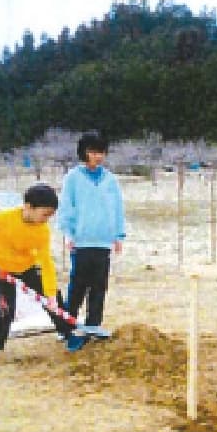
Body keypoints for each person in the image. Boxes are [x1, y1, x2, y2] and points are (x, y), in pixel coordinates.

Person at [0, 184, 88, 364]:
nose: (47, 219)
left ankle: (68, 334)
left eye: (50, 215)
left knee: (53, 298)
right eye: (45, 214)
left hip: (28, 268)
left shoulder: (42, 231)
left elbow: (46, 262)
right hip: (3, 271)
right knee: (5, 310)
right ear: (28, 207)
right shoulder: (4, 218)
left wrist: (49, 293)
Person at [58, 132, 125, 338]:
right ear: (85, 152)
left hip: (103, 241)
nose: (98, 156)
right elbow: (66, 207)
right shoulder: (73, 178)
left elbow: (117, 208)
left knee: (99, 285)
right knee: (77, 285)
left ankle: (93, 324)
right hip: (81, 241)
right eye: (94, 152)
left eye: (101, 152)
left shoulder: (110, 179)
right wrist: (68, 234)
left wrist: (118, 236)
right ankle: (67, 326)